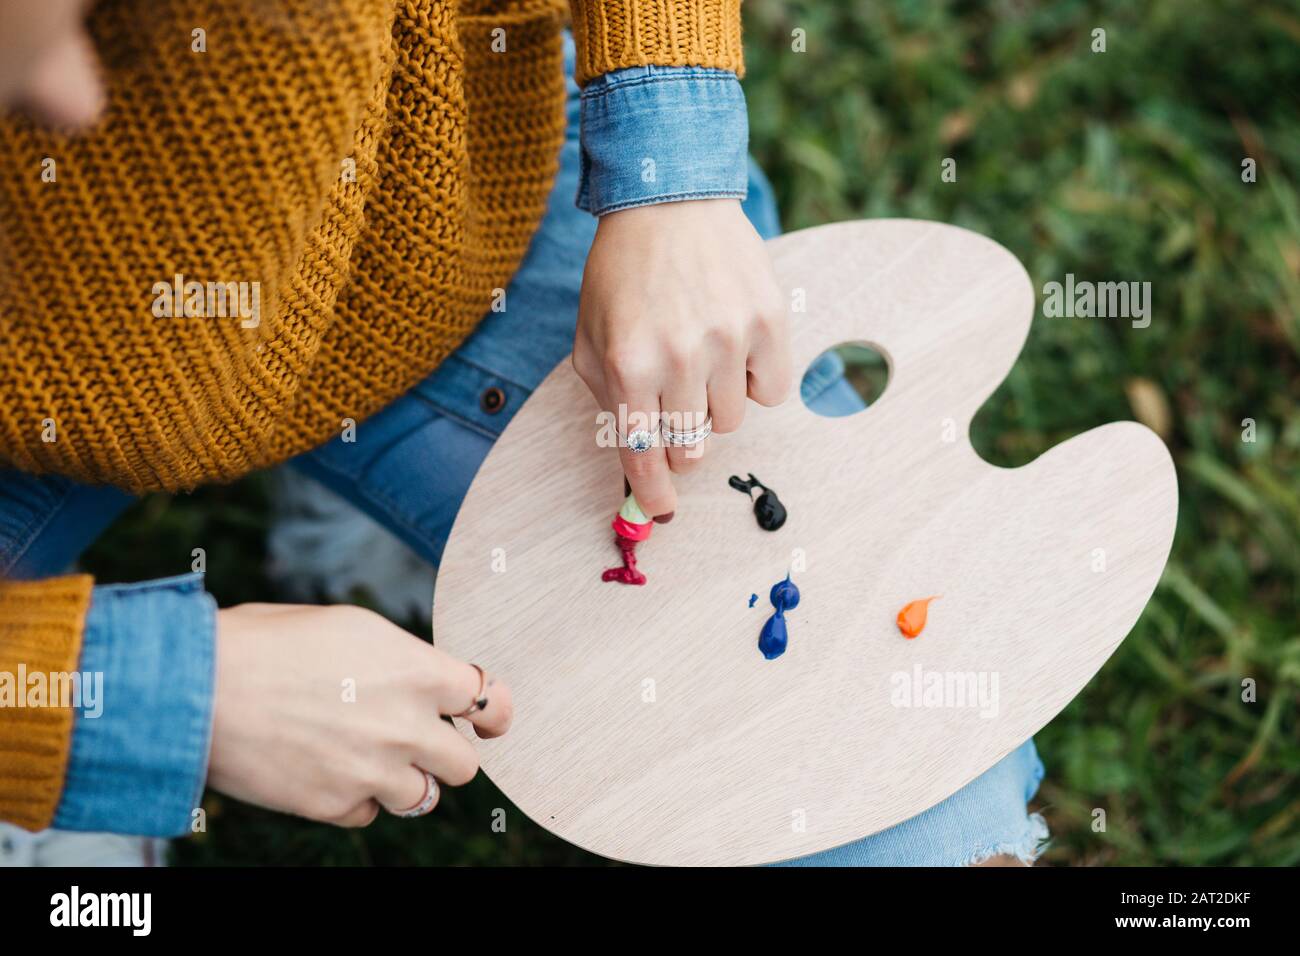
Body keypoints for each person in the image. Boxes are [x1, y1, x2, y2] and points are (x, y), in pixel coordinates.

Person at [0, 0, 1046, 865]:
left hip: (444, 208)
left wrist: (667, 158)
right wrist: (141, 695)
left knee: (921, 804)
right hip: (33, 406)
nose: (78, 105)